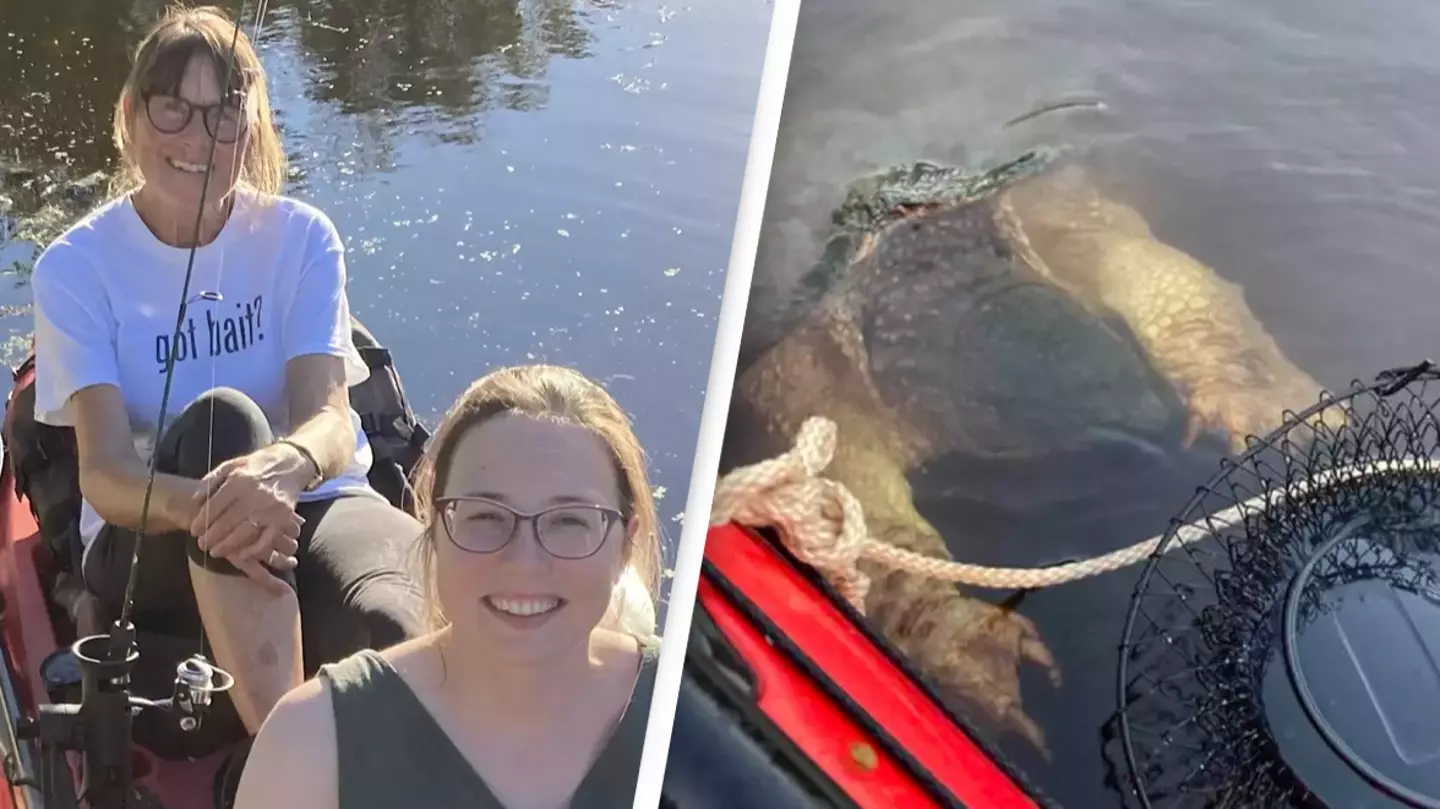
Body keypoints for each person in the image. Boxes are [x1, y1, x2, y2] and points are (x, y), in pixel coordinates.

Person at [28, 4, 426, 752]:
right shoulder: (74, 268)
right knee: (224, 422)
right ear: (129, 116)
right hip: (150, 536)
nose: (198, 138)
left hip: (309, 504)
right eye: (173, 108)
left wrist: (286, 468)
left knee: (398, 625)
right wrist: (227, 500)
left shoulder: (302, 236)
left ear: (253, 125)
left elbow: (333, 420)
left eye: (223, 113)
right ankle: (285, 762)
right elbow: (108, 476)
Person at [232, 364, 665, 809]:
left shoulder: (699, 721)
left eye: (570, 521)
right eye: (485, 516)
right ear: (434, 525)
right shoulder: (311, 744)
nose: (523, 562)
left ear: (625, 546)